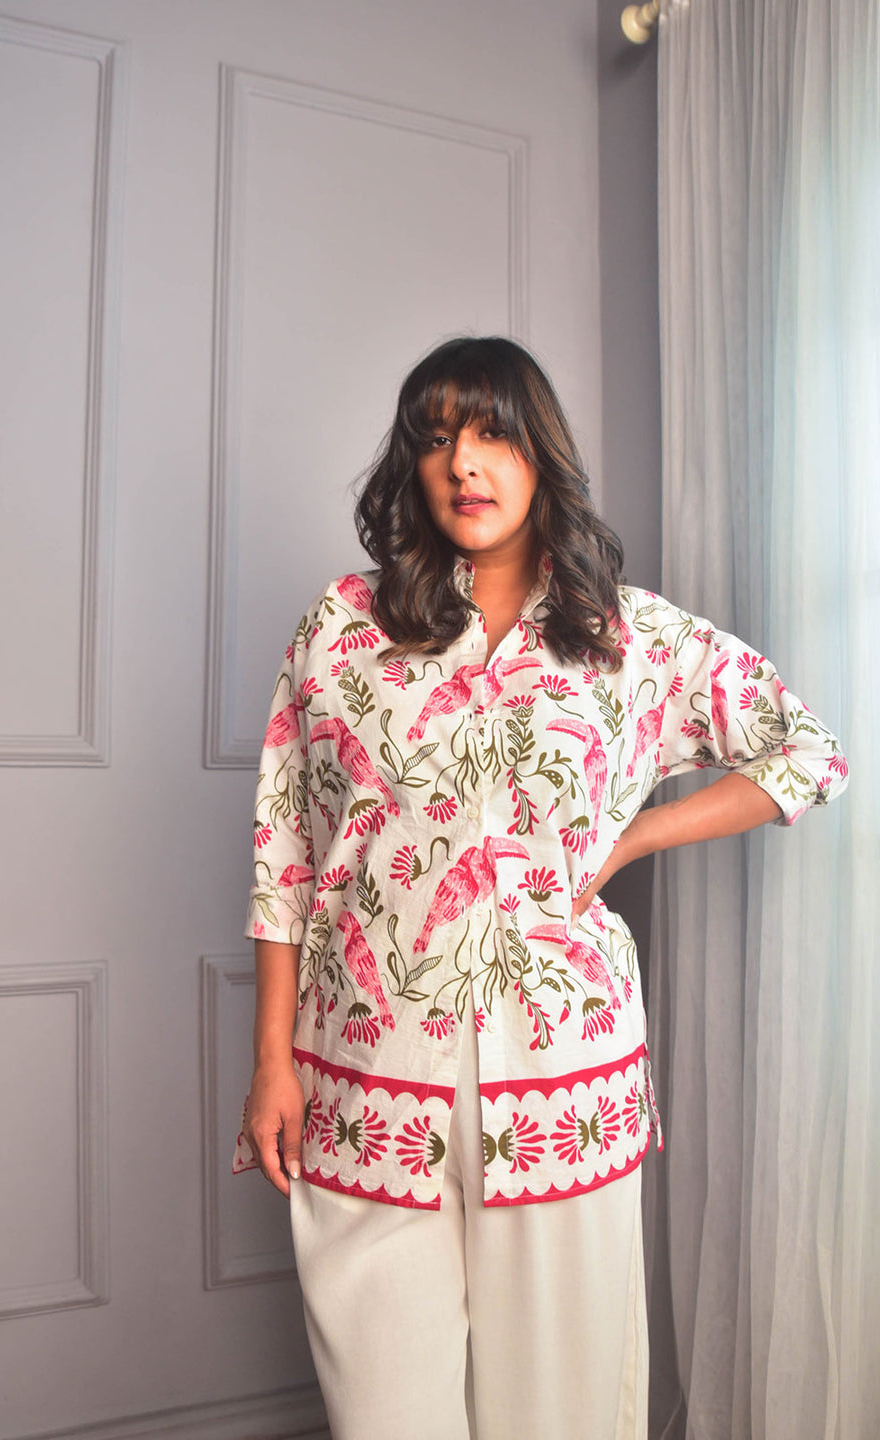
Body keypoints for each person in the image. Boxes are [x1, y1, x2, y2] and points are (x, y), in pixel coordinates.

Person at [234, 336, 848, 1440]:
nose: (463, 463)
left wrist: (637, 834)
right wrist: (272, 1061)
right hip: (367, 1082)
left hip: (564, 1082)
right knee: (386, 1419)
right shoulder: (341, 630)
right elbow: (285, 853)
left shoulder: (630, 638)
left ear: (539, 454)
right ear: (413, 468)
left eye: (491, 434)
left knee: (560, 1416)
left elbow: (806, 750)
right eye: (436, 440)